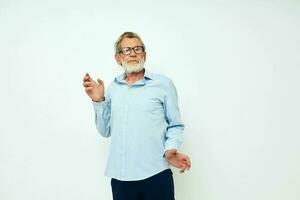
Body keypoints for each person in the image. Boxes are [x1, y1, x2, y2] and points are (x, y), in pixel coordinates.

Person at [83, 32, 191, 200]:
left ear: (144, 55)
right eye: (126, 50)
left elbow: (175, 125)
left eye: (137, 48)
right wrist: (99, 101)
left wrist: (171, 149)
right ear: (118, 58)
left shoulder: (163, 85)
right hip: (121, 177)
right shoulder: (112, 88)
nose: (133, 53)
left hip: (156, 173)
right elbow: (106, 131)